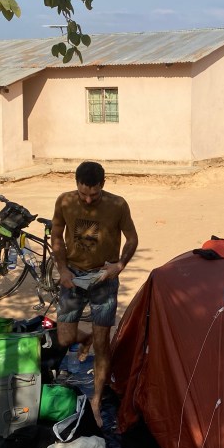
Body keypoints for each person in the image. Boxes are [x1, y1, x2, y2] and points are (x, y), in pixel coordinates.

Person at [51, 161, 138, 428]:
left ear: (103, 184)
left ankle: (97, 402)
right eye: (83, 193)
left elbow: (132, 238)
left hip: (104, 278)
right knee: (64, 337)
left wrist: (120, 265)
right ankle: (86, 334)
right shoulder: (64, 201)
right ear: (76, 183)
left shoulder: (118, 205)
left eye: (94, 194)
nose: (88, 199)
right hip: (73, 276)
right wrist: (62, 269)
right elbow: (56, 232)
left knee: (102, 345)